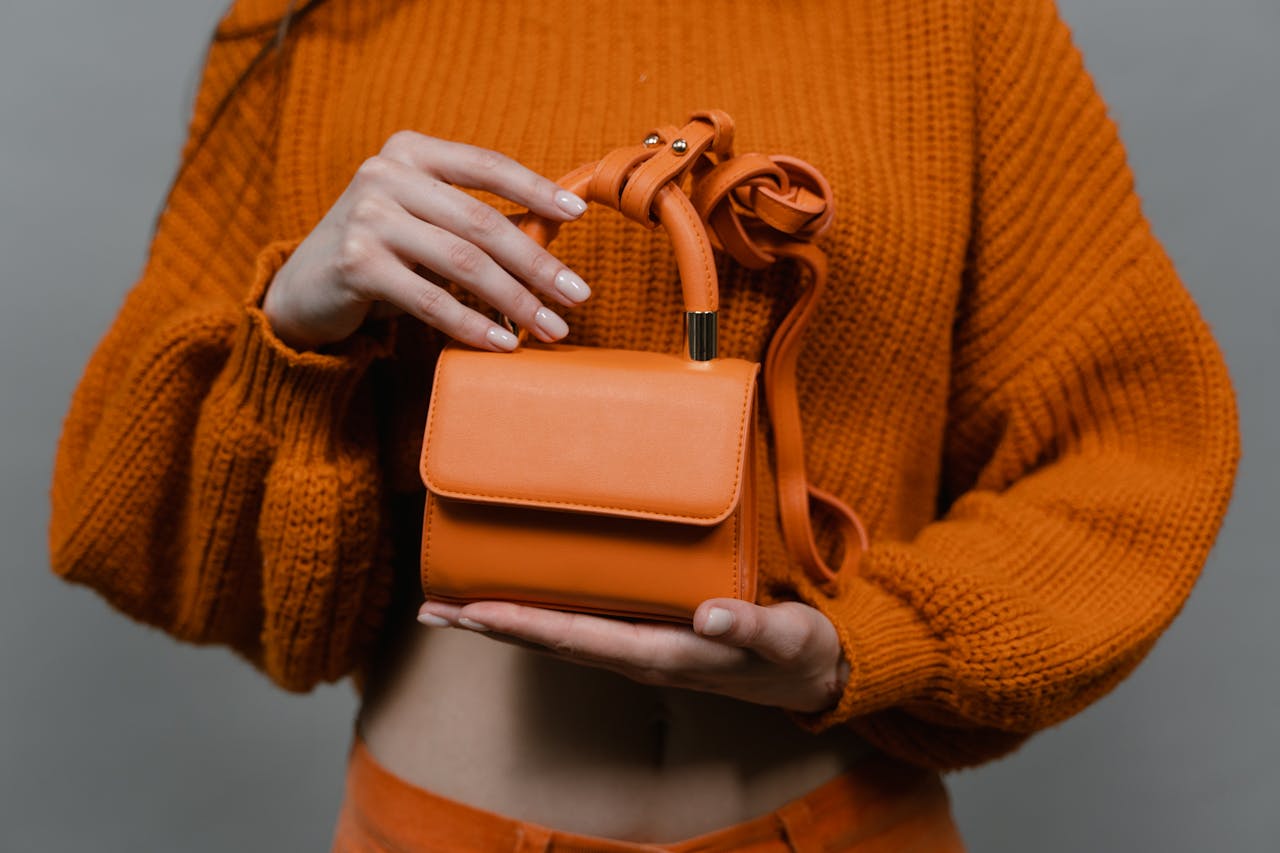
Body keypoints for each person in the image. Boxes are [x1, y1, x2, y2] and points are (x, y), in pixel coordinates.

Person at [48, 0, 1240, 850]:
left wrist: (864, 646)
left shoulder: (955, 23)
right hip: (435, 824)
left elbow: (1132, 450)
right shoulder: (318, 20)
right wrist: (294, 330)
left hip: (845, 822)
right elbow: (141, 543)